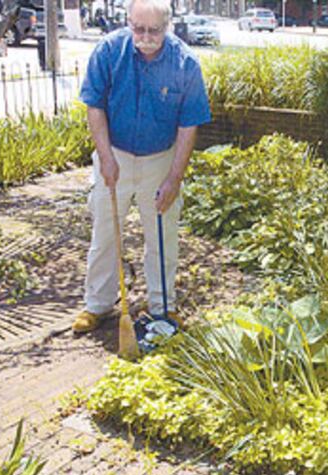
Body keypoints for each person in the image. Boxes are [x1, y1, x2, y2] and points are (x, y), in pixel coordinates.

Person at [72, 0, 211, 333]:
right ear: (128, 22)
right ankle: (98, 305)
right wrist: (105, 158)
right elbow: (94, 106)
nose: (146, 37)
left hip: (160, 160)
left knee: (162, 238)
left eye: (154, 30)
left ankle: (163, 307)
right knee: (105, 232)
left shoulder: (185, 64)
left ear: (168, 26)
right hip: (114, 154)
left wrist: (174, 178)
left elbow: (188, 125)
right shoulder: (109, 51)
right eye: (139, 29)